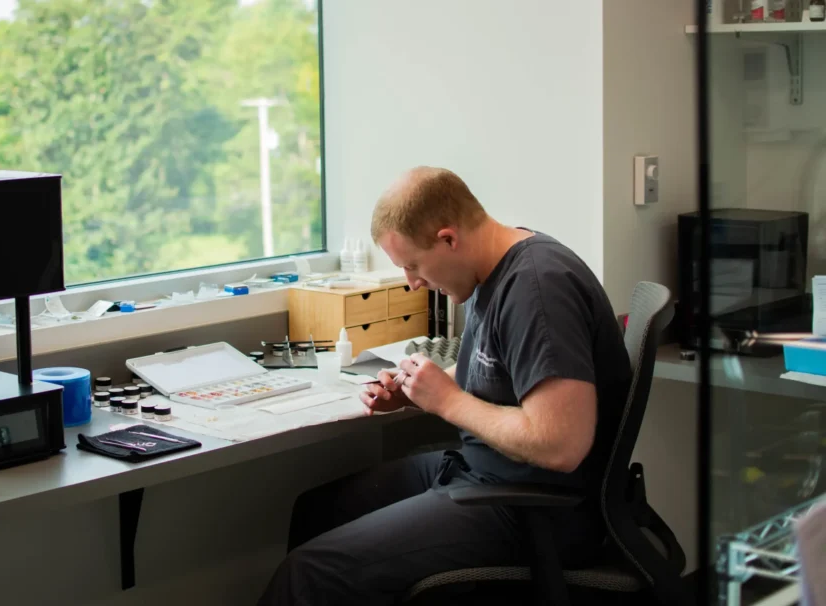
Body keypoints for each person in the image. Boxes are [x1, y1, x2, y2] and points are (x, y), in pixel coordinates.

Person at [256, 166, 632, 606]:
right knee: (317, 511)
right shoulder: (493, 269)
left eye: (413, 266)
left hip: (541, 509)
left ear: (449, 238)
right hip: (489, 472)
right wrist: (416, 390)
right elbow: (494, 375)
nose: (413, 283)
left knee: (309, 574)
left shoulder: (537, 290)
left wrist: (447, 401)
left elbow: (559, 444)